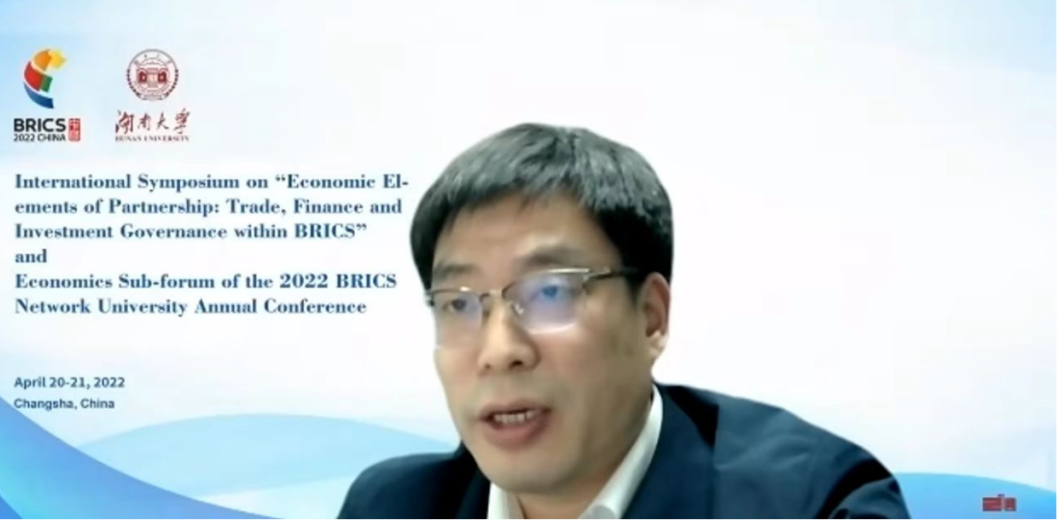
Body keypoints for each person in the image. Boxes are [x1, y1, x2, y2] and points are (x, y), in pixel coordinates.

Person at [337, 123, 911, 520]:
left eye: (550, 292)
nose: (498, 350)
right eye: (459, 304)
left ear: (651, 318)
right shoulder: (393, 508)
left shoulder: (814, 504)